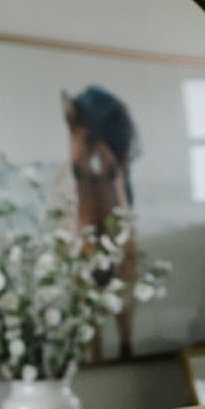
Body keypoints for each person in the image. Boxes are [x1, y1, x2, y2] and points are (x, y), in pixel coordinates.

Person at [62, 85, 140, 358]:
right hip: (88, 243)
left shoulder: (111, 170)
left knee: (122, 297)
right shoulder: (78, 172)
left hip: (108, 241)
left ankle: (124, 345)